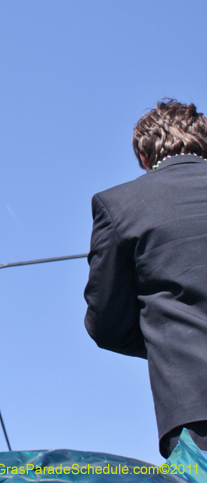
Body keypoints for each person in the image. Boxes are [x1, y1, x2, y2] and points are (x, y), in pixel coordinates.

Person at [84, 99, 207, 457]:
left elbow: (105, 323)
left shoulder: (121, 204)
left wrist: (166, 337)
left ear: (143, 154)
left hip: (196, 407)